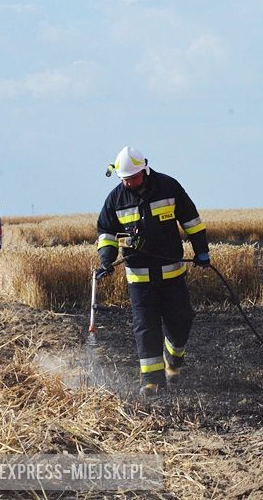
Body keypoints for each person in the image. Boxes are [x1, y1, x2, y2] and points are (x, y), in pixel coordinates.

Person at [96, 146, 210, 397]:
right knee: (146, 328)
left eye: (132, 178)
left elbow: (191, 220)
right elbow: (106, 233)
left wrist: (201, 251)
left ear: (144, 170)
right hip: (139, 279)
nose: (128, 183)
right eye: (124, 179)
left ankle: (174, 357)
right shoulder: (116, 199)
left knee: (181, 320)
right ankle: (152, 381)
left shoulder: (168, 187)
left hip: (172, 275)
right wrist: (106, 260)